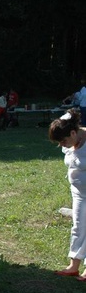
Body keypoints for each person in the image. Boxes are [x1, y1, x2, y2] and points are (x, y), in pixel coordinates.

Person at [48, 107, 86, 281]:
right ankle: (74, 265)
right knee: (78, 226)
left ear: (73, 133)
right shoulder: (69, 140)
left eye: (63, 141)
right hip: (79, 192)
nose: (61, 146)